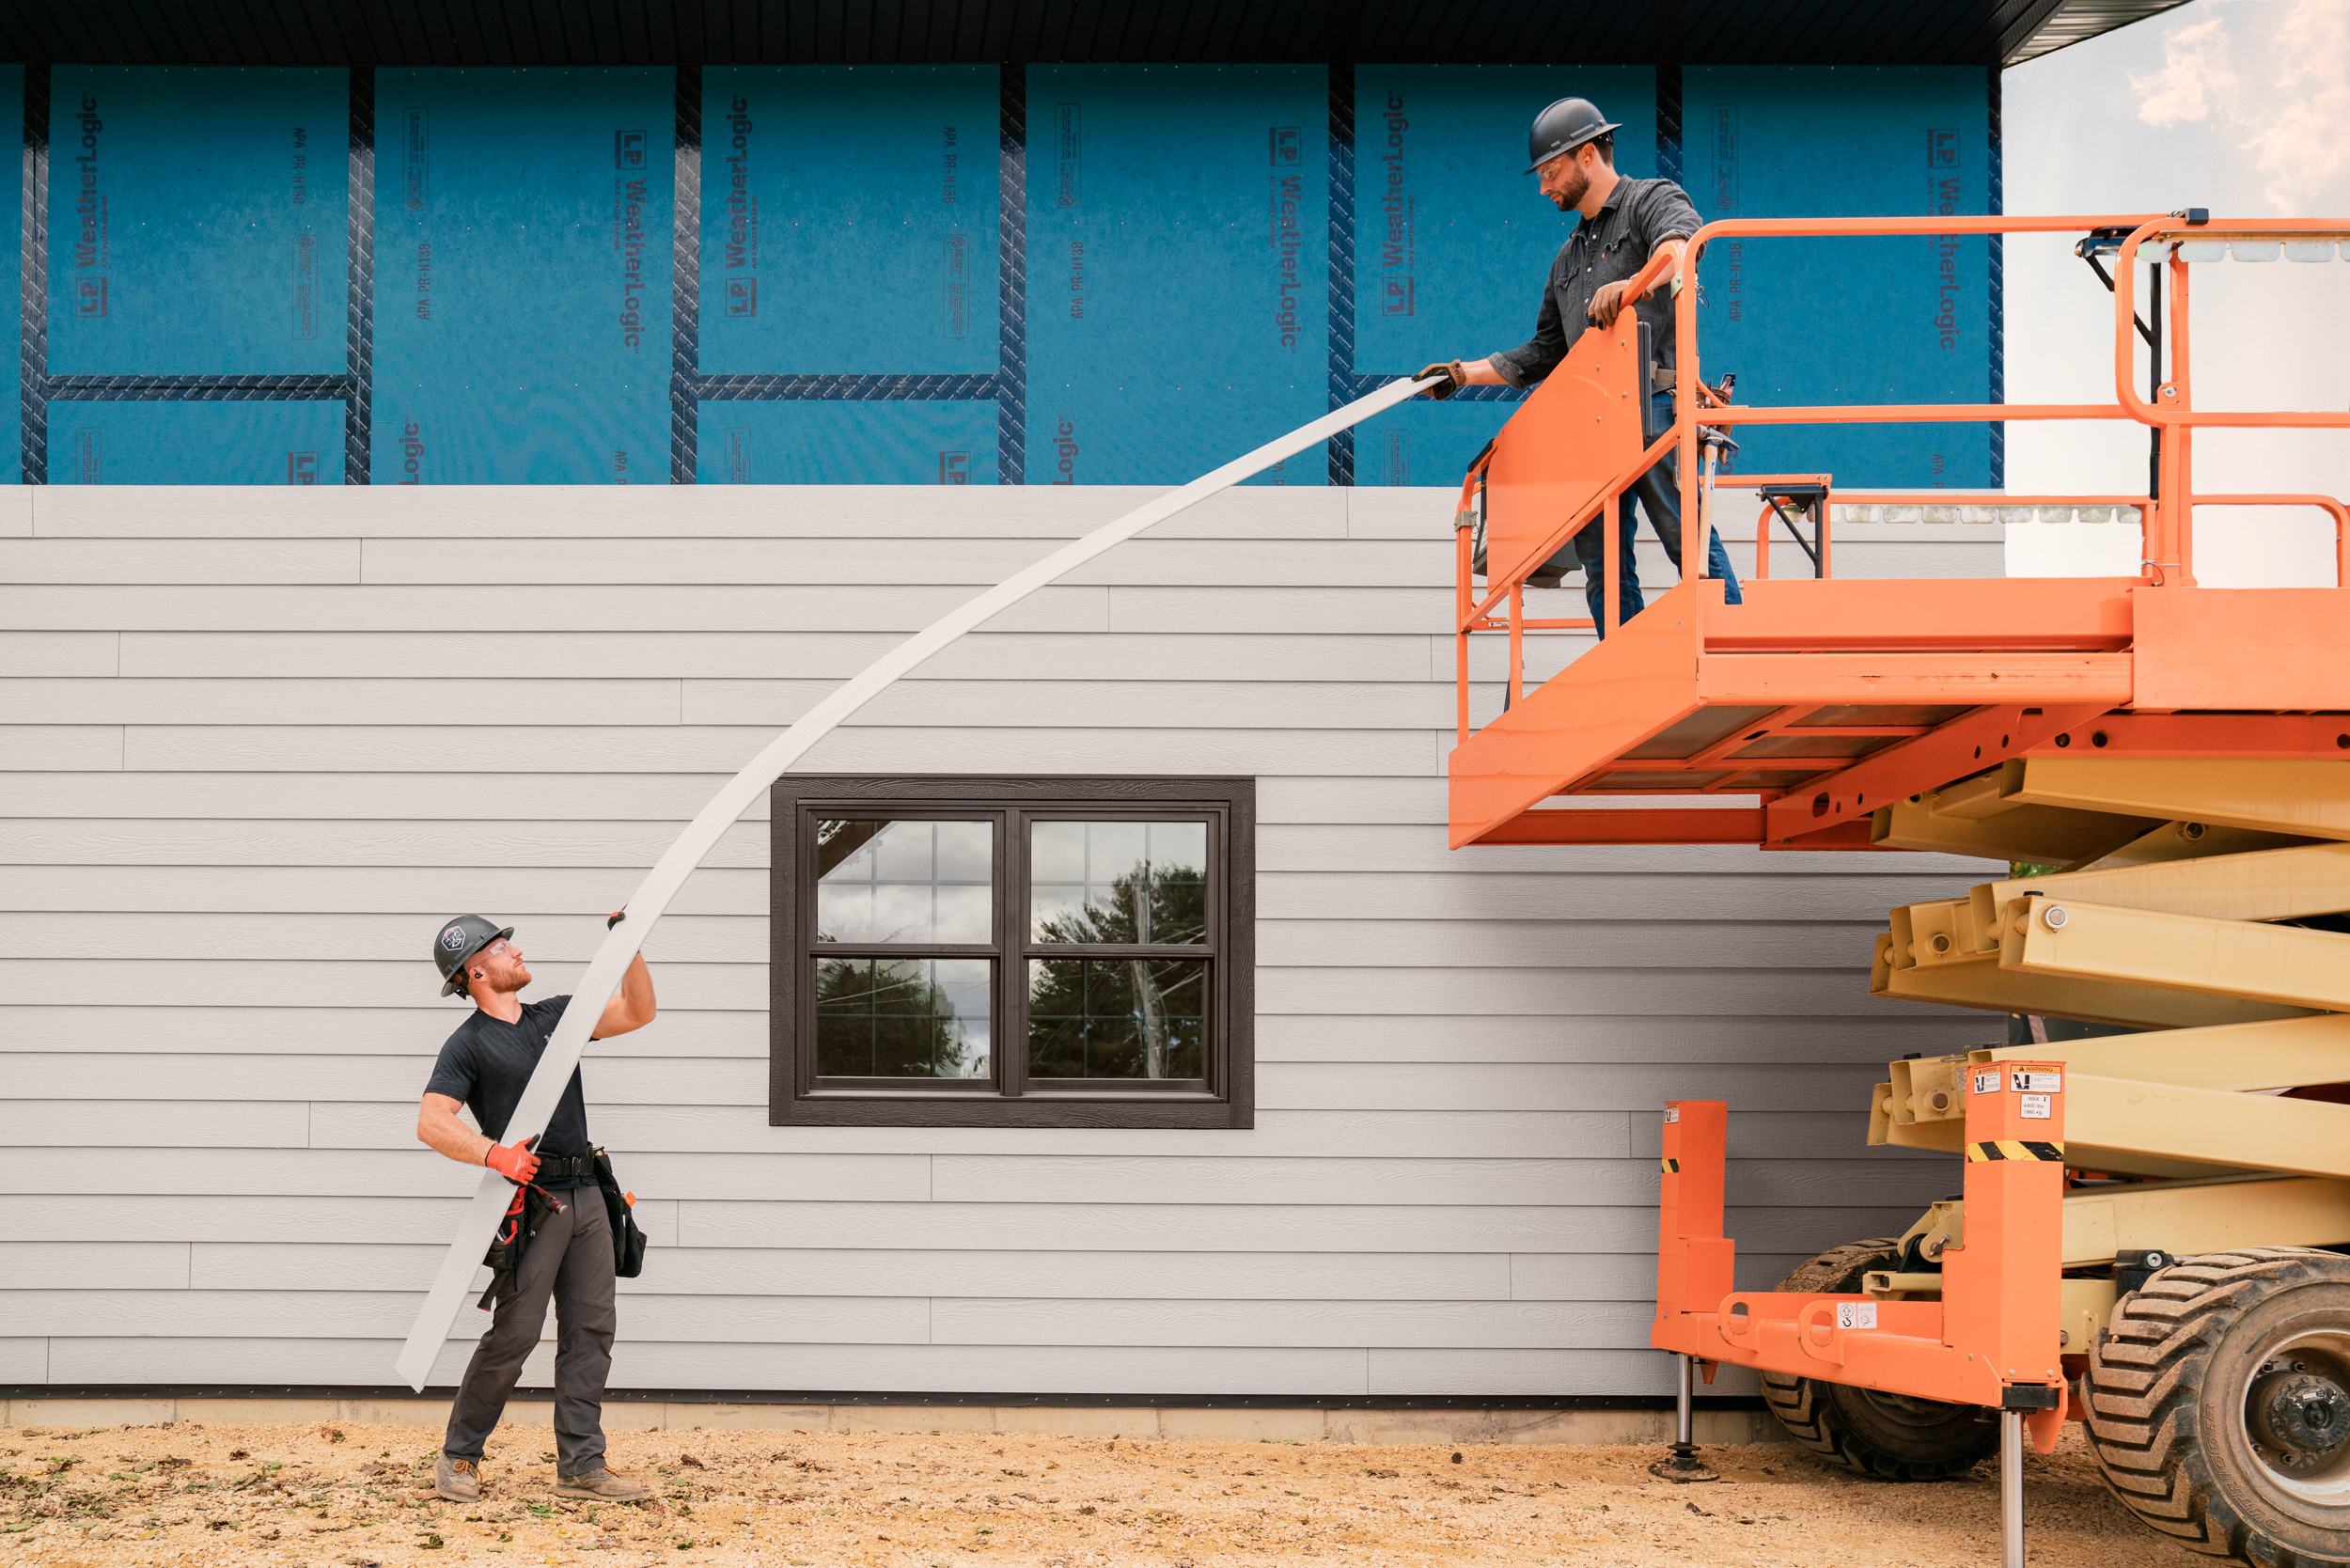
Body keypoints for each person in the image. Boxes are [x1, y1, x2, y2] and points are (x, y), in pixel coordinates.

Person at [1418, 96, 1742, 633]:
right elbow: (1543, 352)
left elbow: (1683, 246)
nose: (1544, 188)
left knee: (1685, 535)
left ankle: (1733, 644)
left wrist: (1632, 286)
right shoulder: (1566, 260)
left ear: (1587, 154)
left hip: (1654, 404)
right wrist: (1460, 374)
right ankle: (1627, 672)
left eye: (1550, 172)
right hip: (1594, 428)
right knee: (1603, 568)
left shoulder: (1649, 200)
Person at [418, 914, 657, 1504]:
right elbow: (432, 1122)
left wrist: (628, 946)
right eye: (503, 947)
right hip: (533, 1205)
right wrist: (493, 1154)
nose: (517, 950)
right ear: (475, 971)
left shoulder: (556, 1017)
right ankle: (461, 1456)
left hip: (587, 1194)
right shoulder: (468, 1045)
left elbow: (637, 1011)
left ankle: (582, 1465)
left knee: (592, 1328)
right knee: (515, 1334)